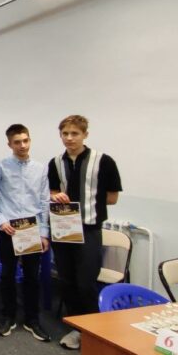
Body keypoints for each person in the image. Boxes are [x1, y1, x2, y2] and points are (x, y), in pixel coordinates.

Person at [48, 115, 122, 350]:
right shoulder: (55, 162)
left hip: (89, 229)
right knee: (66, 280)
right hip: (63, 228)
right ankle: (77, 327)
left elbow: (112, 198)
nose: (69, 138)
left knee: (85, 282)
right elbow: (52, 191)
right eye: (65, 134)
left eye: (75, 133)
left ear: (85, 135)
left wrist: (85, 202)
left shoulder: (104, 161)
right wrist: (55, 196)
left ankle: (92, 330)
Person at [0, 124, 51, 342]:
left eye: (25, 140)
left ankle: (32, 319)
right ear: (9, 144)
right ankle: (8, 316)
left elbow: (44, 201)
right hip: (9, 229)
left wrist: (44, 232)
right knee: (8, 274)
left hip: (31, 229)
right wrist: (1, 221)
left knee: (32, 276)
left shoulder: (40, 169)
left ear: (29, 140)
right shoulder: (0, 167)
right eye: (17, 142)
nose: (22, 145)